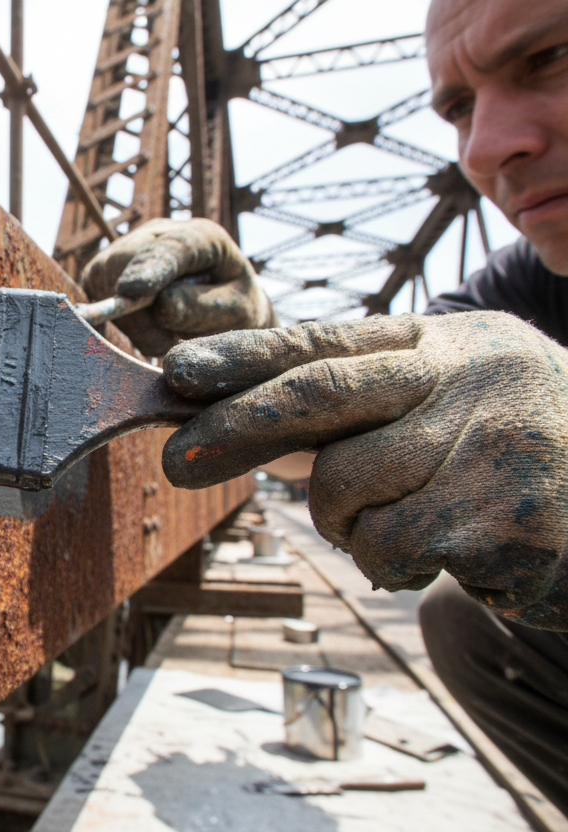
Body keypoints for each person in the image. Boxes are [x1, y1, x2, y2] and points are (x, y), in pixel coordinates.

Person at [82, 0, 568, 810]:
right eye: (456, 107)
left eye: (550, 57)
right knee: (468, 625)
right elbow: (365, 414)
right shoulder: (522, 284)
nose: (486, 147)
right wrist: (257, 342)